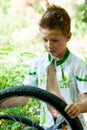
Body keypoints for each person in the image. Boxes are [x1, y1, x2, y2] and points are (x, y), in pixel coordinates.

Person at [0, 5, 87, 130]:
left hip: (72, 126)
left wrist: (78, 107)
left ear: (68, 37)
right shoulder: (38, 63)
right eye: (45, 40)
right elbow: (23, 97)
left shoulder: (77, 65)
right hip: (47, 126)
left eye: (54, 40)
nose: (49, 45)